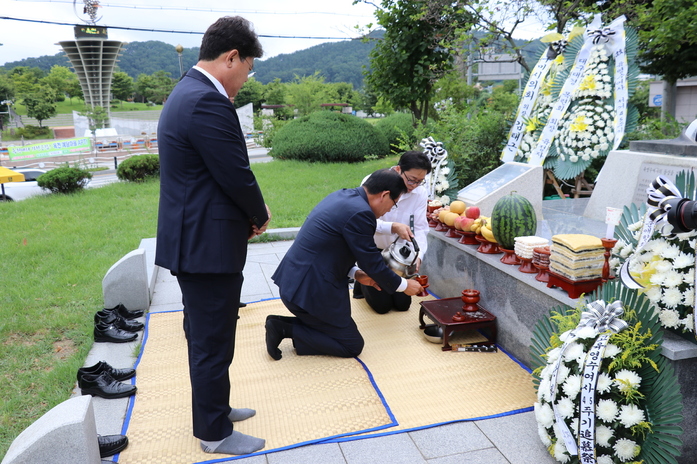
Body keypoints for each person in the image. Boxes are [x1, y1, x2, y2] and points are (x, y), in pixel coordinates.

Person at [155, 16, 270, 456]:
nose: (245, 78)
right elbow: (235, 175)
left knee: (209, 335)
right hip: (206, 245)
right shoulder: (206, 100)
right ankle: (214, 433)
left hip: (198, 239)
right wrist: (259, 215)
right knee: (210, 340)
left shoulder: (187, 91)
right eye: (247, 68)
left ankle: (215, 409)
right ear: (231, 57)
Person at [266, 169, 423, 360]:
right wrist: (405, 285)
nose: (390, 210)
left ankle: (282, 325)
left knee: (341, 331)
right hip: (308, 291)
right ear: (384, 195)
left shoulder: (343, 196)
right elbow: (372, 263)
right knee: (351, 345)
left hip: (296, 279)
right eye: (394, 204)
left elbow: (329, 250)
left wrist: (357, 275)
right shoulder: (362, 213)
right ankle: (283, 328)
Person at [353, 151, 432, 314]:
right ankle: (362, 280)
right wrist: (392, 227)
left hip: (398, 256)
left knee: (403, 305)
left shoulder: (420, 193)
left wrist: (419, 255)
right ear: (397, 169)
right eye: (411, 179)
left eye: (420, 181)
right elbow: (364, 221)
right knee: (382, 307)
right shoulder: (375, 182)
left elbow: (421, 228)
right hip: (373, 251)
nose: (414, 186)